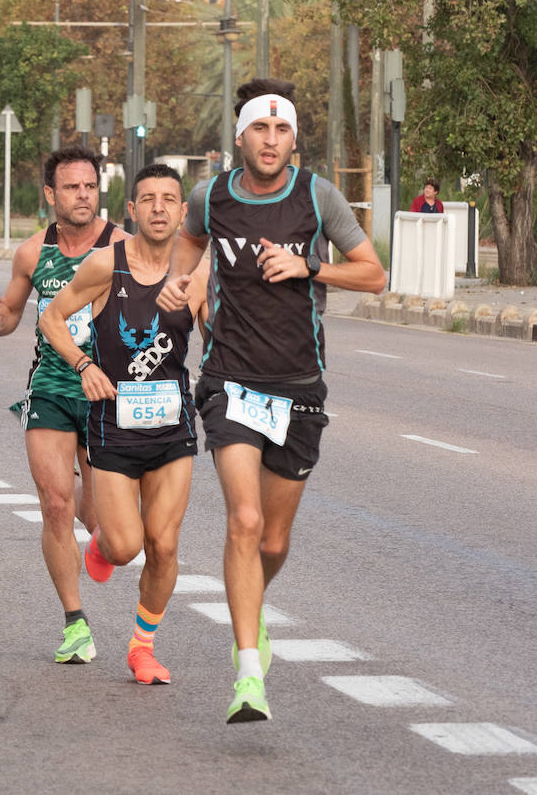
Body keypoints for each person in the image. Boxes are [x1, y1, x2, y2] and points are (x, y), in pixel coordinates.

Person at [156, 78, 386, 724]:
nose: (272, 141)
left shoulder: (318, 196)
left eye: (283, 131)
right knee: (245, 520)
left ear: (294, 139)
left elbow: (373, 272)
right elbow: (194, 239)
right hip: (229, 379)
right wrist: (188, 281)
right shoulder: (213, 195)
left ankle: (251, 607)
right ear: (241, 135)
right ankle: (249, 670)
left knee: (275, 540)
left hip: (300, 387)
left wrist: (308, 266)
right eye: (261, 129)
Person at [40, 163, 209, 685]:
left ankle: (142, 646)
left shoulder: (197, 272)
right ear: (132, 211)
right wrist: (84, 365)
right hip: (113, 428)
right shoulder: (102, 265)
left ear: (183, 213)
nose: (159, 208)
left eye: (169, 200)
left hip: (172, 429)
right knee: (124, 546)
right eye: (148, 199)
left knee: (163, 543)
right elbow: (51, 319)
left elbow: (219, 338)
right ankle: (101, 547)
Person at [0, 145, 125, 662]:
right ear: (50, 194)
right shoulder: (33, 253)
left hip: (109, 390)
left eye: (89, 186)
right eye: (71, 187)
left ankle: (103, 542)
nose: (82, 196)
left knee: (103, 521)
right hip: (54, 388)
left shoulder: (123, 246)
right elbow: (15, 310)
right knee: (56, 503)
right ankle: (75, 621)